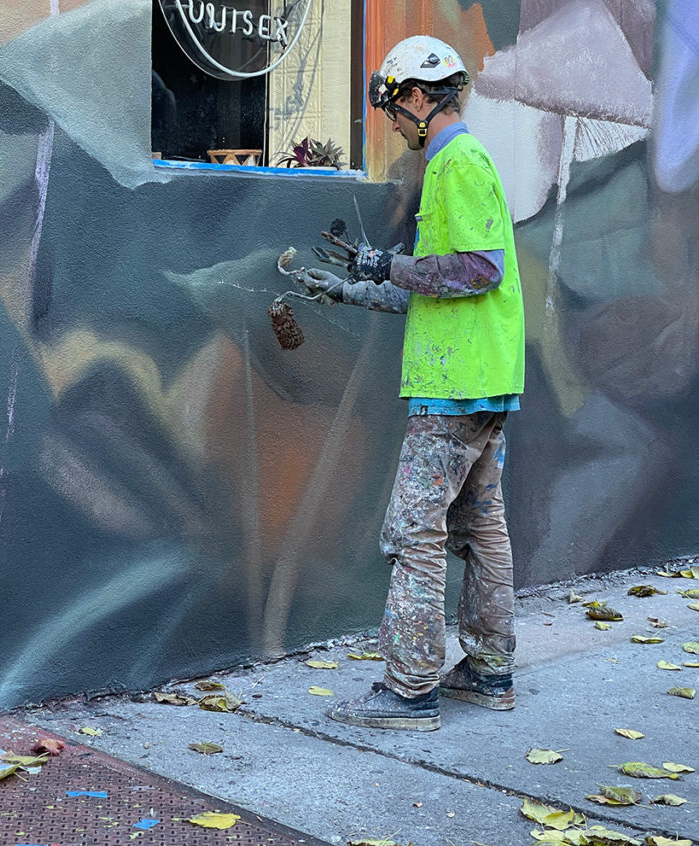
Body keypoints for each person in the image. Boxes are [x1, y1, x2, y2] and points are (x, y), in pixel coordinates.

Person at [298, 35, 525, 731]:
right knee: (479, 524)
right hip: (481, 380)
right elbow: (434, 288)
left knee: (413, 531)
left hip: (452, 387)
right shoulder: (455, 162)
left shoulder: (456, 161)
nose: (394, 124)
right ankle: (488, 672)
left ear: (421, 99)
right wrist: (350, 286)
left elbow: (478, 268)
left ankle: (409, 691)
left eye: (395, 110)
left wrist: (386, 264)